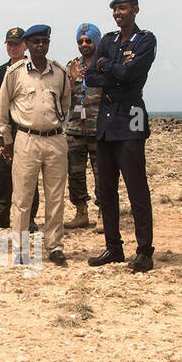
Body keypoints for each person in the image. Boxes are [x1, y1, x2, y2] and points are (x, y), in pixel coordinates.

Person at [87, 0, 158, 272]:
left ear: (136, 10)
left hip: (131, 117)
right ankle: (113, 247)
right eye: (115, 9)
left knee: (136, 189)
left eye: (124, 8)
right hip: (106, 120)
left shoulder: (146, 40)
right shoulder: (107, 40)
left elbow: (131, 76)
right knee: (106, 190)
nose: (119, 13)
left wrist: (108, 67)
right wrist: (111, 68)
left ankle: (144, 251)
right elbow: (92, 77)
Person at [0, 24, 72, 265]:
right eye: (36, 41)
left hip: (56, 140)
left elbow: (66, 103)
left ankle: (54, 246)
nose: (41, 45)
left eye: (45, 41)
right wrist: (7, 140)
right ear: (27, 45)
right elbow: (2, 108)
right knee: (22, 197)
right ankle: (21, 249)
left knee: (56, 197)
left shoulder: (60, 73)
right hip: (26, 139)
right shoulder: (15, 72)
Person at [0, 27, 37, 231]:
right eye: (10, 44)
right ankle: (0, 216)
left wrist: (7, 98)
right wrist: (13, 98)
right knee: (2, 175)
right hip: (5, 130)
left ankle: (29, 219)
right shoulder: (1, 71)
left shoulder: (33, 68)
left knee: (29, 175)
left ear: (25, 45)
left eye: (17, 44)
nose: (13, 48)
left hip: (27, 130)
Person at [64, 23, 102, 230]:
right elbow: (63, 96)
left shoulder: (104, 63)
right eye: (81, 41)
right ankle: (81, 213)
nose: (84, 44)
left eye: (88, 40)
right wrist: (70, 79)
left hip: (99, 128)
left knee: (102, 174)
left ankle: (104, 213)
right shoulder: (72, 65)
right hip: (75, 129)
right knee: (75, 174)